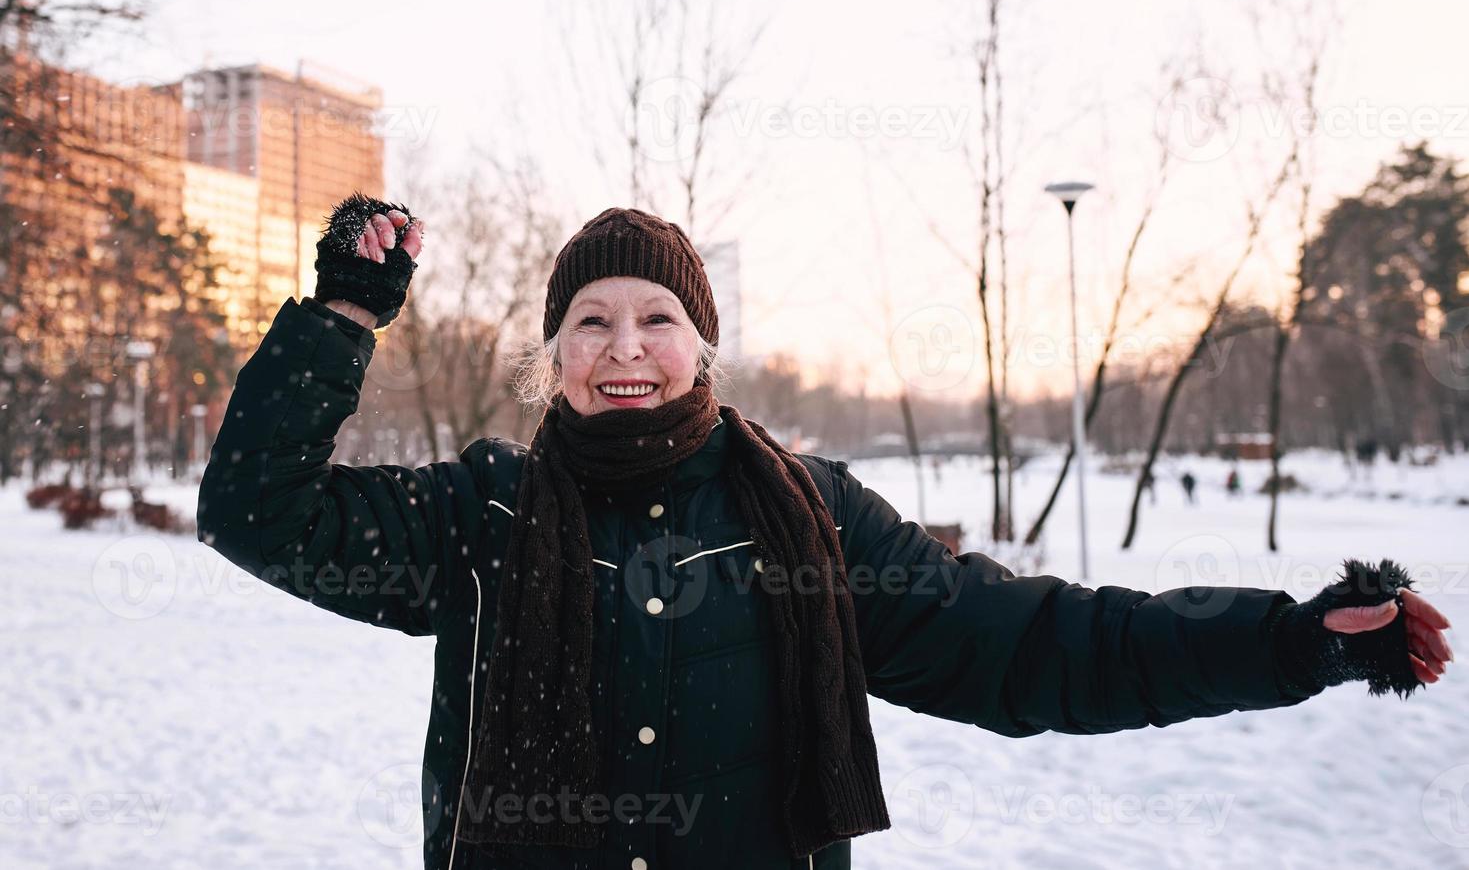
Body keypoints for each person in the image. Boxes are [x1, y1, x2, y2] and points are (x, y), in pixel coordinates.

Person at [198, 198, 1454, 870]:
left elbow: (1035, 645)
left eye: (654, 318)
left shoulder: (807, 516)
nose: (622, 348)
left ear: (700, 346)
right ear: (552, 353)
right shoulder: (478, 515)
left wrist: (1289, 642)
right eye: (588, 320)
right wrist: (342, 318)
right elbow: (259, 511)